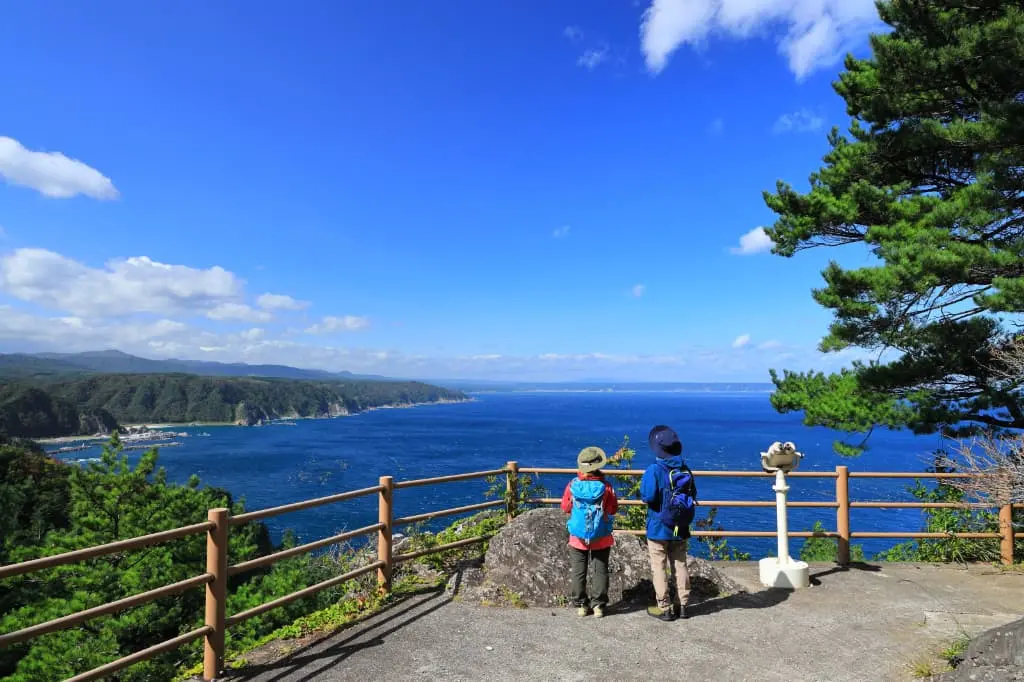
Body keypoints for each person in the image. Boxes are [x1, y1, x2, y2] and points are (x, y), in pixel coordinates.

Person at [640, 425, 697, 621]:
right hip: (680, 526)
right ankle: (684, 605)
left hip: (658, 526)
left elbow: (647, 496)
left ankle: (664, 608)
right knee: (680, 564)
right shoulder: (684, 468)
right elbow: (693, 494)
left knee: (659, 566)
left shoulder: (655, 470)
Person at [561, 446, 619, 618]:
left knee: (578, 571)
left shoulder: (573, 485)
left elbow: (565, 507)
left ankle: (581, 605)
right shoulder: (606, 487)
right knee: (600, 570)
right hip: (601, 535)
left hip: (578, 536)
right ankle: (598, 606)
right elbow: (613, 509)